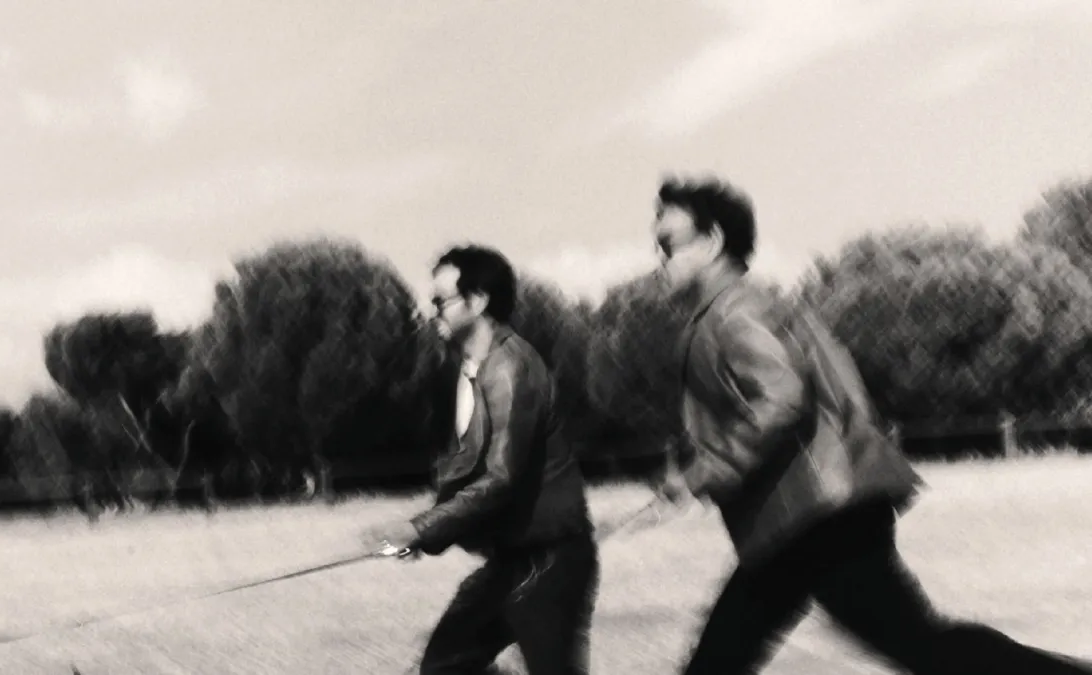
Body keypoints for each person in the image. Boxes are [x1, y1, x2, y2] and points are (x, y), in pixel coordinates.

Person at [651, 175, 1092, 674]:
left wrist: (700, 473)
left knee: (925, 649)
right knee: (919, 647)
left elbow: (780, 398)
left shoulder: (734, 315)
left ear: (712, 241)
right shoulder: (746, 307)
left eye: (668, 245)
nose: (660, 260)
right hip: (800, 519)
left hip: (817, 520)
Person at [361, 244, 600, 675]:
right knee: (444, 666)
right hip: (514, 562)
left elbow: (500, 478)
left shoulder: (509, 369)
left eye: (440, 301)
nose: (432, 311)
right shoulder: (474, 371)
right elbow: (471, 476)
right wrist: (424, 532)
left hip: (548, 562)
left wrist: (420, 529)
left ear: (477, 301)